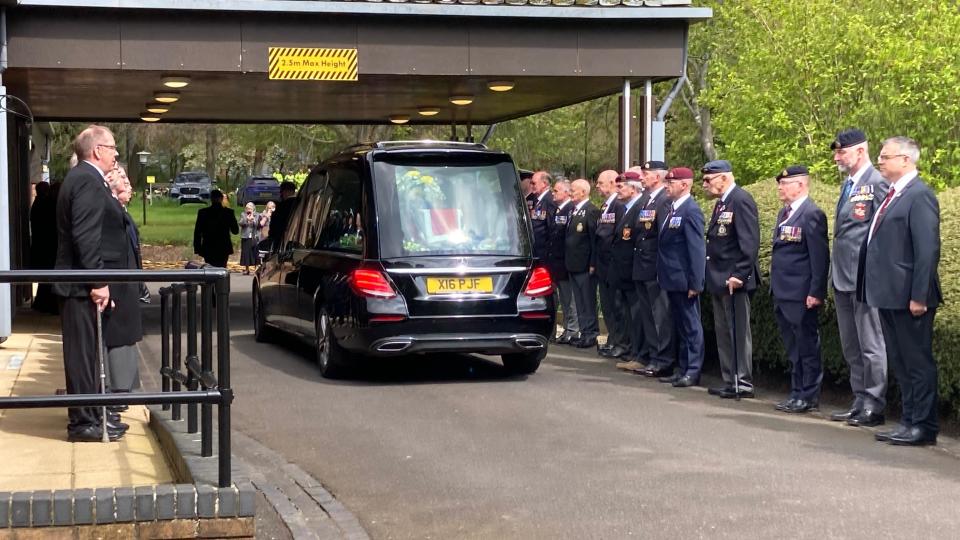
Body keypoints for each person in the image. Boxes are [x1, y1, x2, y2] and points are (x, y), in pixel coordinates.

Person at [860, 136, 942, 446]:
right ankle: (908, 421)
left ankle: (923, 425)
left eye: (886, 156)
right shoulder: (893, 194)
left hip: (911, 297)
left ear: (906, 160)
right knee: (901, 361)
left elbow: (927, 249)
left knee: (917, 362)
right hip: (890, 295)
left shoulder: (919, 195)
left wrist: (919, 295)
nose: (880, 161)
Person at [54, 125, 128, 442]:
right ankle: (83, 421)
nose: (115, 155)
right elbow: (86, 237)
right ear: (97, 150)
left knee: (88, 354)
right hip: (78, 286)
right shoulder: (86, 180)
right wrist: (99, 281)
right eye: (112, 148)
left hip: (79, 283)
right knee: (82, 356)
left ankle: (94, 413)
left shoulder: (84, 178)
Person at [827, 128, 889, 427]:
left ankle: (874, 405)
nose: (837, 157)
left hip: (865, 278)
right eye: (837, 152)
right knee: (851, 344)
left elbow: (883, 235)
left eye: (842, 151)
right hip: (842, 276)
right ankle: (860, 398)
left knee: (870, 344)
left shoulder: (877, 183)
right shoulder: (848, 185)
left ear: (861, 151)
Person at [769, 166, 829, 414]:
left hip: (801, 294)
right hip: (783, 293)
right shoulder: (785, 213)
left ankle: (809, 396)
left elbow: (819, 257)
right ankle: (796, 392)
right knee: (793, 349)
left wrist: (816, 291)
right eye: (780, 183)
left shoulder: (811, 214)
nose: (780, 188)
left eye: (785, 183)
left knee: (806, 347)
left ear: (801, 185)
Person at [701, 160, 760, 399]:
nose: (704, 184)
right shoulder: (722, 203)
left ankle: (742, 381)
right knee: (724, 331)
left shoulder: (740, 199)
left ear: (724, 178)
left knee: (737, 332)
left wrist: (739, 275)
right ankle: (730, 379)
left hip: (734, 280)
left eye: (708, 179)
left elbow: (749, 242)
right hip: (719, 278)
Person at [656, 167, 706, 388]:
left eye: (672, 182)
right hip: (672, 278)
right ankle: (683, 367)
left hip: (685, 280)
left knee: (691, 326)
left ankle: (693, 370)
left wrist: (696, 282)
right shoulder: (672, 209)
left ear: (685, 185)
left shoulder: (691, 210)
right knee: (681, 326)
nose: (667, 185)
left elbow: (696, 249)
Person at [633, 161, 677, 378]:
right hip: (642, 266)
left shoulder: (664, 201)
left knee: (660, 316)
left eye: (646, 173)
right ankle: (653, 356)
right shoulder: (646, 200)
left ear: (657, 177)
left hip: (655, 267)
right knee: (648, 316)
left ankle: (664, 360)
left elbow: (663, 238)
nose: (641, 177)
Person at [104, 165, 143, 397]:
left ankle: (122, 391)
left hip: (127, 282)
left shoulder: (121, 211)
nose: (129, 184)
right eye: (123, 178)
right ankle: (116, 393)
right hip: (117, 284)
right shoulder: (110, 209)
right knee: (117, 339)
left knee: (125, 339)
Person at [609, 172, 645, 370]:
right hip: (623, 273)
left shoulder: (640, 207)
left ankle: (639, 353)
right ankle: (634, 351)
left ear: (633, 188)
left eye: (621, 187)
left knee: (637, 315)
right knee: (630, 315)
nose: (618, 190)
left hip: (633, 272)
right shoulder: (625, 209)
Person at [594, 169, 630, 358]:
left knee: (617, 308)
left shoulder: (618, 205)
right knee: (608, 306)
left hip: (612, 264)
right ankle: (613, 340)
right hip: (603, 264)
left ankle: (620, 342)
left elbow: (615, 236)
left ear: (611, 183)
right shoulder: (606, 206)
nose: (598, 187)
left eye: (601, 183)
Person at [564, 179, 601, 348]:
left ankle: (591, 334)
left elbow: (594, 240)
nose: (570, 192)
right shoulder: (574, 211)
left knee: (587, 301)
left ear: (584, 192)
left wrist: (593, 263)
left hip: (585, 266)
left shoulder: (591, 211)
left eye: (573, 190)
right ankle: (583, 332)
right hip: (573, 264)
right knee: (579, 302)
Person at [546, 179, 579, 344]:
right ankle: (567, 328)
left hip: (565, 263)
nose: (553, 193)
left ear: (566, 193)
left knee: (570, 300)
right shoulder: (559, 210)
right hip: (557, 263)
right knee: (565, 301)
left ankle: (572, 330)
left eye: (557, 191)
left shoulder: (569, 210)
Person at [30, 181, 59, 314]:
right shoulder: (47, 204)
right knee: (49, 277)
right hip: (48, 246)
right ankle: (48, 304)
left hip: (43, 245)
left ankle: (43, 303)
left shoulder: (39, 204)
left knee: (46, 279)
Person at [193, 190, 239, 268]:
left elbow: (197, 232)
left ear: (211, 199)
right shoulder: (228, 213)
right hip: (223, 247)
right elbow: (235, 231)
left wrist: (197, 248)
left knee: (208, 270)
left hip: (208, 246)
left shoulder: (203, 213)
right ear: (221, 199)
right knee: (221, 269)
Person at [529, 171, 557, 263]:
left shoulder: (550, 201)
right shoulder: (535, 200)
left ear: (544, 184)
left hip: (543, 253)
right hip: (534, 250)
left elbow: (551, 229)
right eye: (531, 183)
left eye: (534, 183)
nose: (531, 185)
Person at [267, 181, 298, 249]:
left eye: (281, 192)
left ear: (285, 192)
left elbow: (274, 227)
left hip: (282, 242)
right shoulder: (302, 204)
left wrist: (271, 238)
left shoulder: (281, 207)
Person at [239, 202, 261, 275]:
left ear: (253, 208)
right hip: (246, 236)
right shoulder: (243, 214)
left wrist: (253, 219)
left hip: (254, 236)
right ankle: (247, 269)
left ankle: (256, 268)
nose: (248, 209)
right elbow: (241, 223)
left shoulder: (257, 215)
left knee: (255, 252)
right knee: (246, 253)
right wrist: (247, 220)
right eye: (247, 208)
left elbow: (258, 225)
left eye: (250, 208)